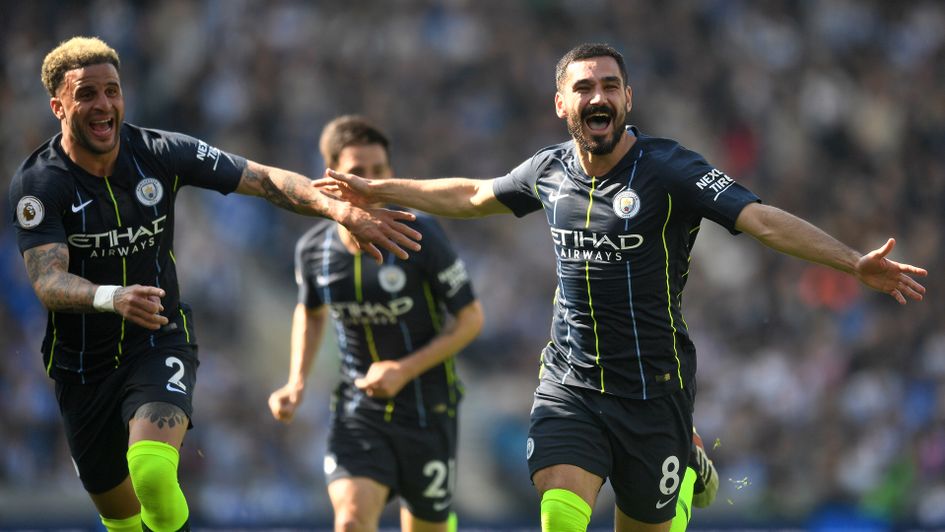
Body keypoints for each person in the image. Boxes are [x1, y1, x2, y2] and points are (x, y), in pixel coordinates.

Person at [317, 42, 927, 532]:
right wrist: (377, 190)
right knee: (560, 513)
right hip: (571, 383)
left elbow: (761, 219)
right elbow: (474, 194)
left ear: (628, 98)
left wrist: (852, 262)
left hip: (654, 391)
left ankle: (684, 467)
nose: (598, 97)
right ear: (561, 104)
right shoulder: (548, 171)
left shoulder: (670, 168)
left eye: (610, 86)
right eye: (584, 87)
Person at [7, 37, 421, 532]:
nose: (104, 105)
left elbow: (262, 178)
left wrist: (338, 208)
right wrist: (111, 297)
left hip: (157, 341)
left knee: (153, 474)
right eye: (87, 94)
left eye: (112, 91)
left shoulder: (159, 153)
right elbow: (47, 280)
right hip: (80, 368)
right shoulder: (40, 183)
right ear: (58, 106)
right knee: (121, 521)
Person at [268, 115, 483, 532]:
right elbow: (309, 312)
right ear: (331, 179)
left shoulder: (421, 235)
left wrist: (403, 370)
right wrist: (296, 382)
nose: (370, 182)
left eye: (380, 171)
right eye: (358, 172)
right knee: (349, 521)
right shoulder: (314, 251)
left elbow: (471, 319)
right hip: (358, 410)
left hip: (428, 410)